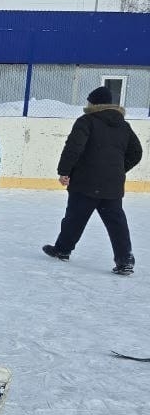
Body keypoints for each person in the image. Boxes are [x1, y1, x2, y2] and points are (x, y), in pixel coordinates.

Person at [43, 86, 142, 276]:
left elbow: (74, 147)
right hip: (112, 185)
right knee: (116, 223)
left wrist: (64, 171)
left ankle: (63, 249)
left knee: (74, 218)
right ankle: (125, 259)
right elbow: (136, 153)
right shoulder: (124, 125)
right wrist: (119, 170)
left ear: (94, 103)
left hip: (85, 182)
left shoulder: (86, 121)